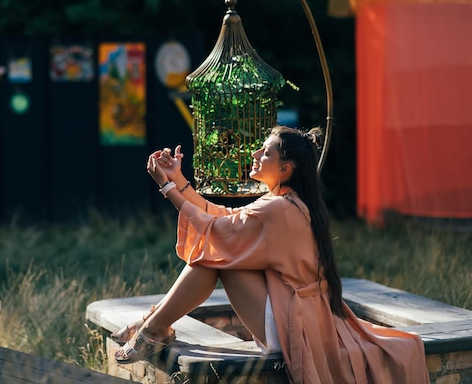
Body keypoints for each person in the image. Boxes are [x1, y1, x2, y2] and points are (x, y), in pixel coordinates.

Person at [113, 126, 429, 383]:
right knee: (220, 251)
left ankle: (153, 328)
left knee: (217, 257)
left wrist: (167, 188)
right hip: (297, 315)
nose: (255, 154)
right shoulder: (284, 201)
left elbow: (219, 229)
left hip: (294, 329)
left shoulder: (279, 208)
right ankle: (154, 326)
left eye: (265, 152)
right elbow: (223, 219)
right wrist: (179, 180)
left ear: (285, 168)